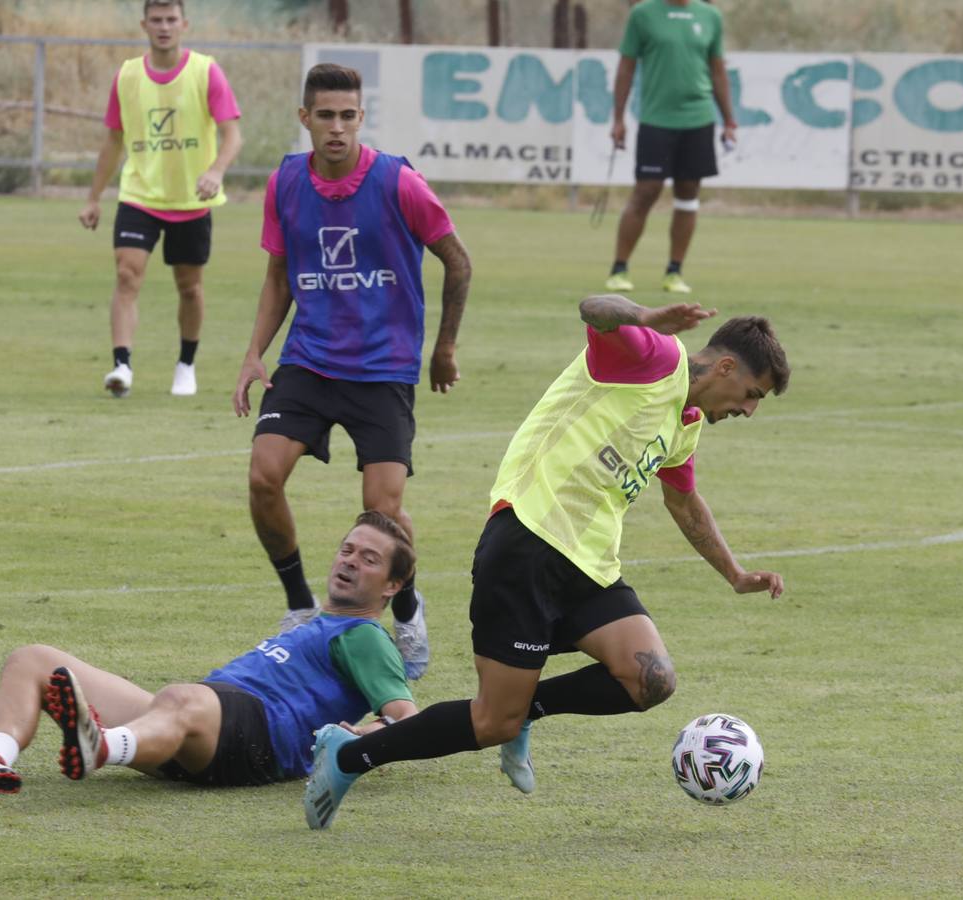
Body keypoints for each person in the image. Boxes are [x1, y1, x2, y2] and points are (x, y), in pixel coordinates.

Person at [301, 295, 790, 829]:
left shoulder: (686, 421)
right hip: (527, 544)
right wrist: (643, 319)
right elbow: (593, 307)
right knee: (492, 721)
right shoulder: (654, 357)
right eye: (751, 394)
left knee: (651, 680)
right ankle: (347, 757)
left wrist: (735, 573)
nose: (748, 410)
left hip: (590, 566)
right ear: (725, 367)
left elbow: (683, 500)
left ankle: (527, 707)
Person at [232, 63, 472, 681]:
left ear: (360, 119)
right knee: (263, 477)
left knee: (381, 515)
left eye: (347, 116)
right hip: (309, 360)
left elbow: (458, 262)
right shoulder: (286, 181)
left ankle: (409, 609)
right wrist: (256, 351)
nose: (336, 128)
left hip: (383, 368)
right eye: (325, 116)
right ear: (304, 118)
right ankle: (297, 606)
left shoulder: (398, 182)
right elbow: (280, 276)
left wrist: (443, 348)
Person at [0, 512, 418, 794]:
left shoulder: (366, 637)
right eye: (348, 549)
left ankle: (102, 747)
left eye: (369, 559)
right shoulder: (323, 622)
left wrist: (356, 739)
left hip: (256, 738)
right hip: (194, 724)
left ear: (392, 585)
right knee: (33, 660)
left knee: (184, 698)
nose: (350, 561)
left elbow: (407, 718)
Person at [79, 0, 244, 398]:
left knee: (189, 287)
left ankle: (186, 364)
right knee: (126, 274)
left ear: (184, 24)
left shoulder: (205, 71)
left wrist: (215, 171)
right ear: (144, 25)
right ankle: (122, 366)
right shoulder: (128, 76)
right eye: (157, 20)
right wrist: (93, 197)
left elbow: (233, 135)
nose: (164, 26)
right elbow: (113, 141)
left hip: (191, 201)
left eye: (171, 19)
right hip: (139, 196)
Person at [605, 0, 736, 295]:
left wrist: (729, 119)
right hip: (656, 120)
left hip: (699, 118)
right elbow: (626, 68)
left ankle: (674, 271)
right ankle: (619, 268)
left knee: (688, 195)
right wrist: (618, 119)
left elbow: (717, 71)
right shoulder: (643, 14)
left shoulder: (710, 16)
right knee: (646, 192)